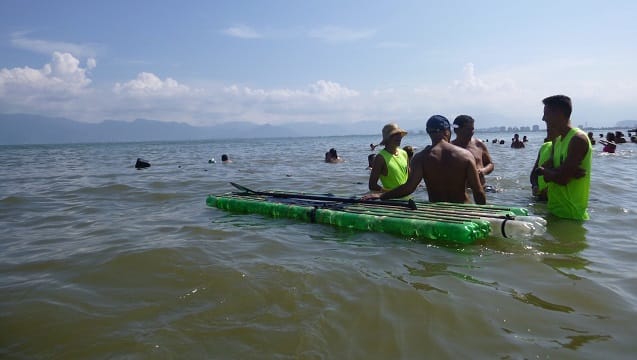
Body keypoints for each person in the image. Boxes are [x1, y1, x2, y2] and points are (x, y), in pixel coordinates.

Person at [363, 115, 486, 204]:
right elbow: (478, 191)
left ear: (428, 132)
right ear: (447, 131)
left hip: (436, 211)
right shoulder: (466, 155)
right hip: (463, 208)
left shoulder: (421, 157)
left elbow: (408, 188)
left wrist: (381, 196)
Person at [535, 95, 591, 220]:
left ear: (558, 114)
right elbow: (548, 172)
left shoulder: (578, 139)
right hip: (554, 211)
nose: (543, 118)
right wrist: (559, 171)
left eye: (546, 114)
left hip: (572, 215)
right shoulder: (557, 141)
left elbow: (562, 179)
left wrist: (547, 172)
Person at [451, 115, 495, 189]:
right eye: (467, 129)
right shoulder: (449, 148)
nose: (471, 132)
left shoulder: (479, 144)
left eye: (472, 129)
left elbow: (490, 164)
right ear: (456, 130)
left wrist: (483, 171)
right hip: (461, 190)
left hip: (481, 187)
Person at [368, 123, 409, 192]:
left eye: (399, 134)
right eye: (395, 134)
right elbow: (372, 185)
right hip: (392, 200)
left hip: (408, 197)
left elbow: (409, 176)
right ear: (388, 137)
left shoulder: (404, 153)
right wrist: (391, 193)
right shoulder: (380, 158)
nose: (399, 137)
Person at [530, 135, 554, 201]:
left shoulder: (567, 148)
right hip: (540, 197)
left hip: (556, 198)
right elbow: (533, 174)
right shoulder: (544, 147)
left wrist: (549, 190)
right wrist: (535, 186)